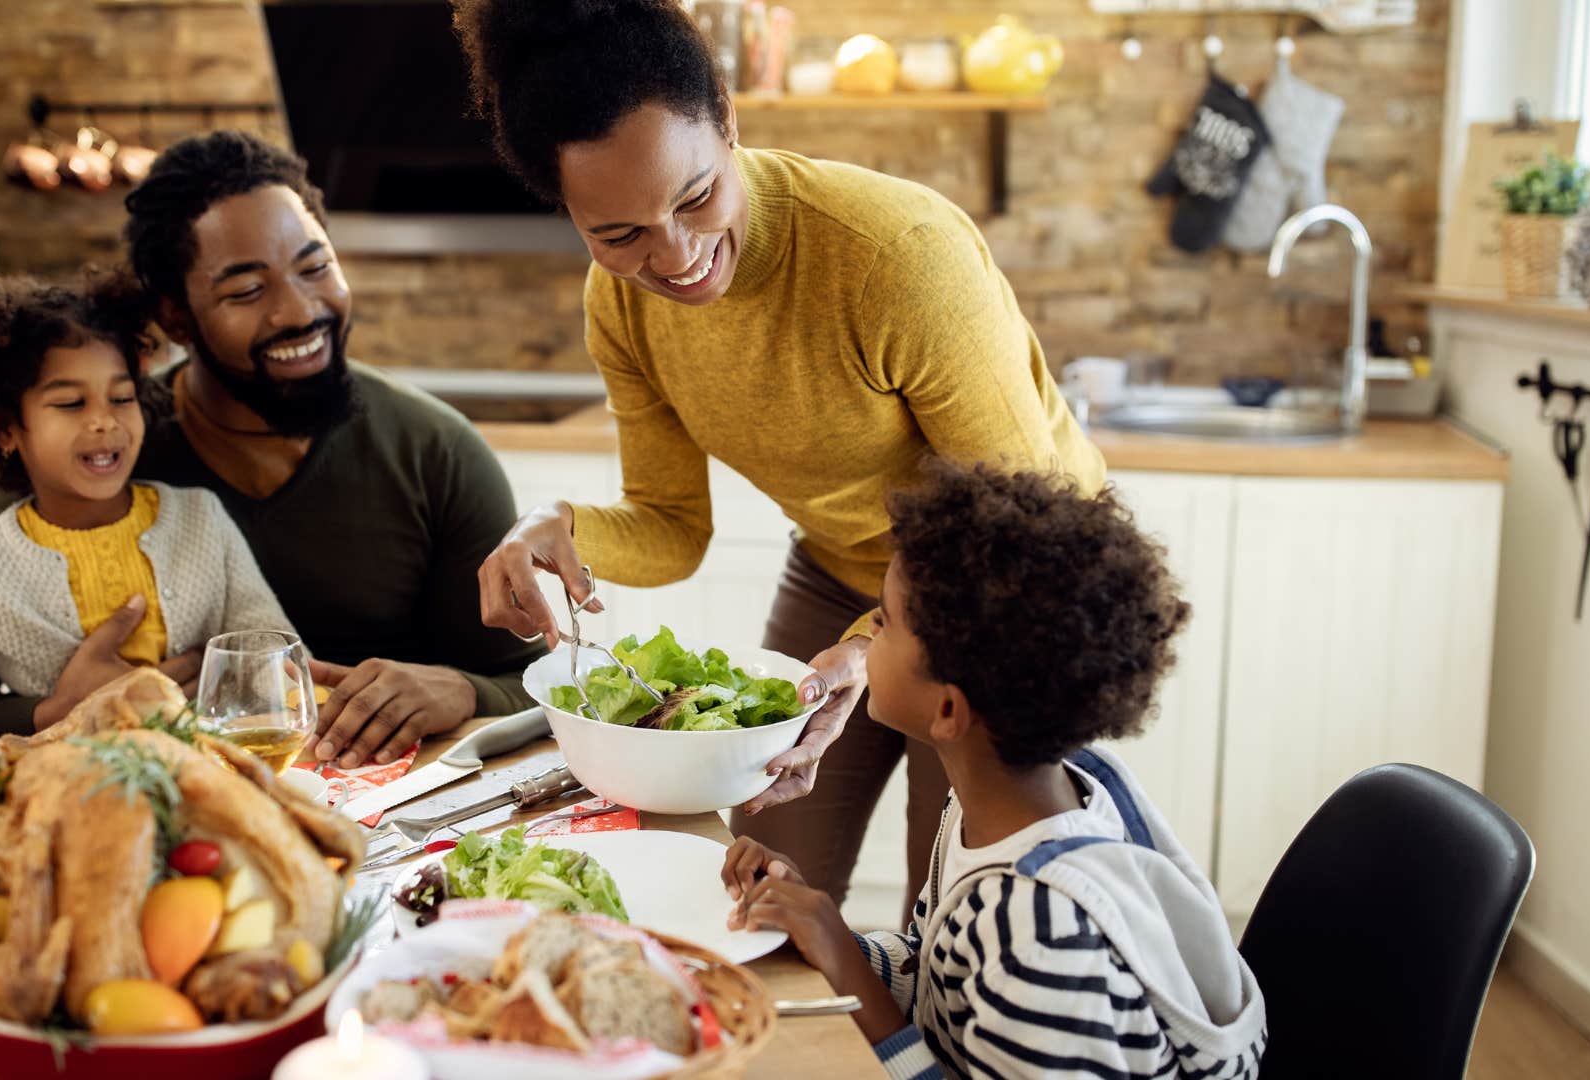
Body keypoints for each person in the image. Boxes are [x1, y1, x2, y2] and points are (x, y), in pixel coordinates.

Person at [456, 0, 1106, 908]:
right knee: (757, 881)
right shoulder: (622, 304)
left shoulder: (895, 258)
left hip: (1010, 591)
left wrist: (870, 646)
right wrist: (552, 528)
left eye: (695, 197)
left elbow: (1020, 529)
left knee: (965, 906)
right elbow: (672, 528)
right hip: (844, 570)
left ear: (727, 115)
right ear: (567, 211)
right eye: (619, 234)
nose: (676, 257)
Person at [0, 132, 545, 769]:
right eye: (246, 291)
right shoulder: (101, 451)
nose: (299, 311)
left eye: (315, 266)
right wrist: (55, 711)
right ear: (177, 317)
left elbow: (535, 689)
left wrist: (461, 689)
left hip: (403, 827)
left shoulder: (437, 452)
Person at [721, 464, 1266, 1078]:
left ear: (949, 710)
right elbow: (943, 976)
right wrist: (822, 926)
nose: (866, 629)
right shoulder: (1005, 808)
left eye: (887, 622)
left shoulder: (1042, 934)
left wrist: (850, 975)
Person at [0, 269, 294, 765]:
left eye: (122, 397)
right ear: (5, 429)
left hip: (206, 769)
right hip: (63, 786)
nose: (104, 420)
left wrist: (233, 682)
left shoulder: (201, 519)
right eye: (70, 402)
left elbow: (273, 651)